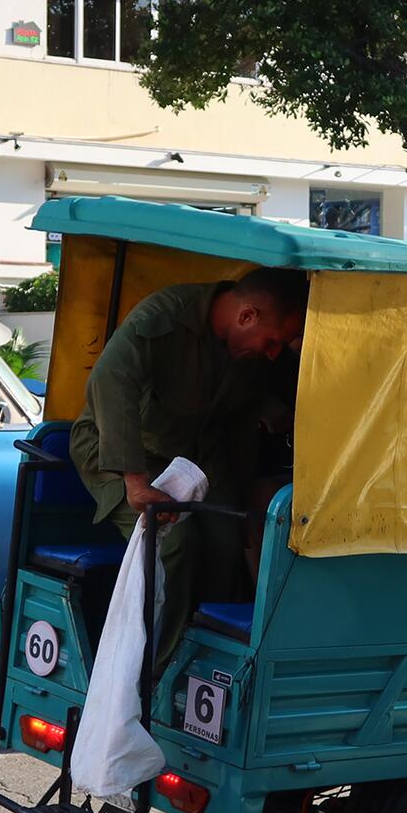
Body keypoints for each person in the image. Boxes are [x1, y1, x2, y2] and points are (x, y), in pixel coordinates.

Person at [69, 268, 310, 643]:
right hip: (116, 453)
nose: (273, 353)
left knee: (228, 541)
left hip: (191, 460)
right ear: (247, 316)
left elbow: (234, 418)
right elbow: (109, 380)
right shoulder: (165, 317)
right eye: (274, 341)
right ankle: (156, 677)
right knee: (172, 546)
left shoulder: (249, 353)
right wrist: (136, 484)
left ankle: (202, 664)